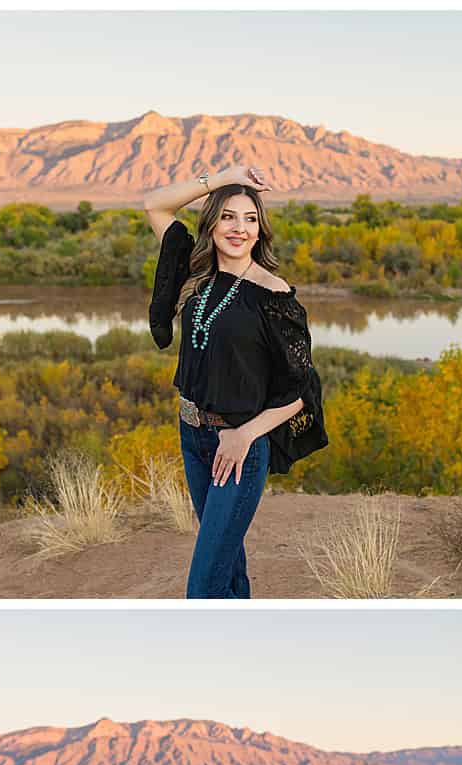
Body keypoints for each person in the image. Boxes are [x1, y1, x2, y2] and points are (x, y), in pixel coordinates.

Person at [143, 165, 327, 598]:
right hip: (192, 436)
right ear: (212, 224)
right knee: (226, 568)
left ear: (260, 231)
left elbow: (302, 390)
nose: (239, 228)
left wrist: (244, 435)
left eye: (249, 219)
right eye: (228, 216)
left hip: (238, 448)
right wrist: (222, 177)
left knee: (203, 584)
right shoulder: (196, 272)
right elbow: (155, 204)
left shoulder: (273, 294)